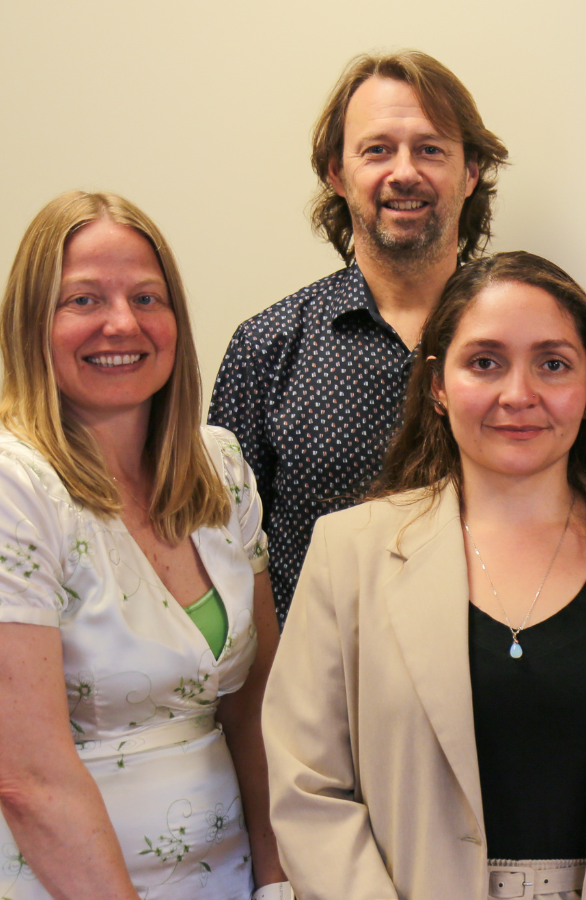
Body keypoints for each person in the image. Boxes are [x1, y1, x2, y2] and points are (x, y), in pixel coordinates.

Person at [262, 251, 586, 899]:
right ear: (438, 385)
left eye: (552, 364)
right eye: (485, 362)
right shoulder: (348, 552)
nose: (519, 394)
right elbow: (309, 784)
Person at [0, 192, 285, 899]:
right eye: (84, 300)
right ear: (30, 322)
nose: (122, 323)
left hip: (228, 877)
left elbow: (255, 710)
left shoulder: (220, 468)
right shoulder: (15, 490)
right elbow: (28, 780)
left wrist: (278, 880)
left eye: (147, 297)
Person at [209, 49, 509, 624]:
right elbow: (221, 555)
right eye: (377, 150)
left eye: (430, 149)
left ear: (470, 172)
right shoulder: (266, 349)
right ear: (336, 173)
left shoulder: (527, 342)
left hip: (495, 689)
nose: (404, 171)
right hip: (325, 697)